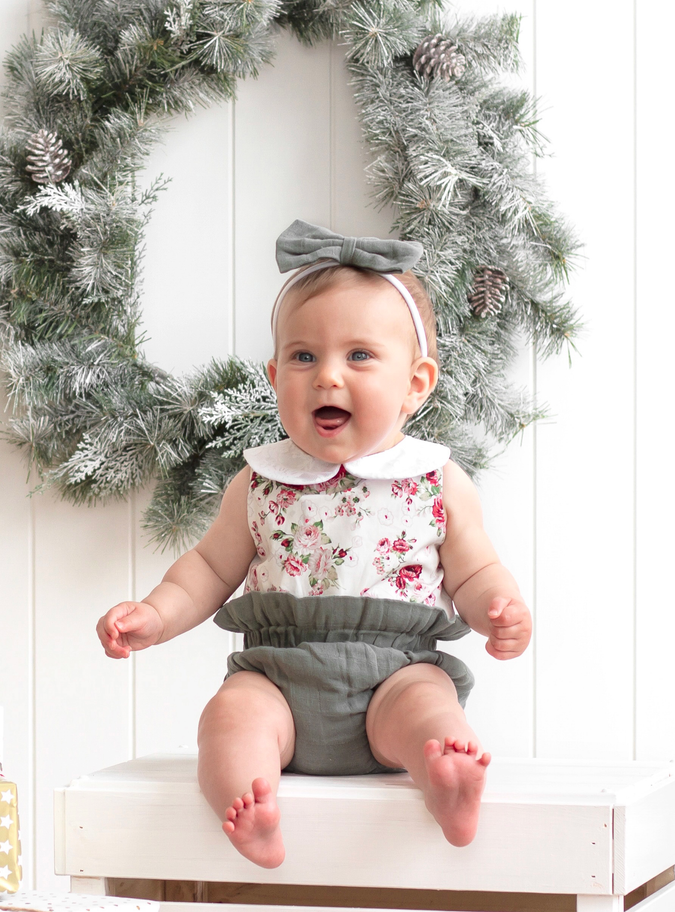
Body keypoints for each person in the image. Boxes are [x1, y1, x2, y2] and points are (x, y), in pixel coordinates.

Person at [96, 221, 532, 868]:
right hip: (279, 677)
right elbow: (209, 568)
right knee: (229, 717)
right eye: (304, 357)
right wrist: (156, 614)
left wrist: (501, 607)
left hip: (396, 671)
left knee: (426, 709)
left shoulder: (436, 479)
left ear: (416, 382)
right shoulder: (260, 479)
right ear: (275, 376)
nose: (328, 376)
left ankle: (445, 772)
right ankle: (249, 802)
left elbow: (474, 572)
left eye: (359, 356)